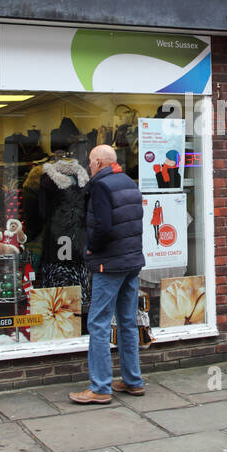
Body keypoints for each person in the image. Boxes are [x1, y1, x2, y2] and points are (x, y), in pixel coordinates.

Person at [70, 144, 145, 404]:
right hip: (131, 261)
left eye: (91, 161)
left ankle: (100, 387)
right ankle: (133, 380)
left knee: (98, 324)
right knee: (127, 322)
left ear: (100, 162)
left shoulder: (101, 186)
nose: (89, 166)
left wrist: (90, 249)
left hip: (109, 264)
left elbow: (102, 227)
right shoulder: (128, 182)